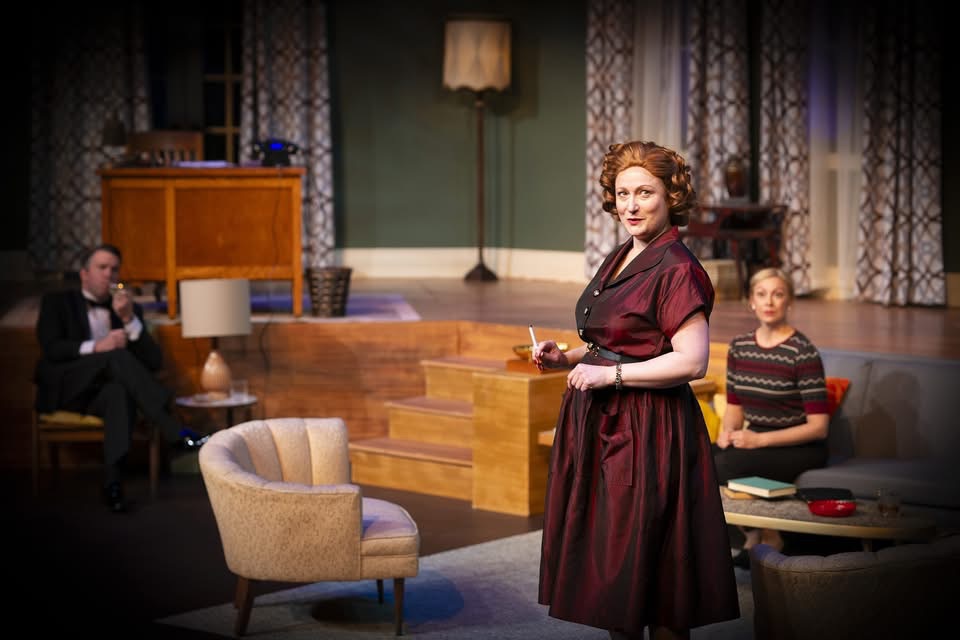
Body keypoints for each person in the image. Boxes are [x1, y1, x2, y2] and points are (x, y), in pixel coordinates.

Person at [533, 141, 740, 640]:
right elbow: (617, 341)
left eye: (645, 193)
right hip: (604, 424)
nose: (631, 205)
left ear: (671, 196)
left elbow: (692, 361)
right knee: (613, 572)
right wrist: (569, 358)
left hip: (647, 431)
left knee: (654, 575)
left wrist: (610, 377)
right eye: (623, 193)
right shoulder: (623, 254)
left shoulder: (678, 267)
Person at [34, 243, 206, 513]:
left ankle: (113, 485)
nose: (109, 274)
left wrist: (128, 320)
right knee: (116, 356)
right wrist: (97, 346)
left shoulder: (127, 309)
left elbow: (154, 361)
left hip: (102, 394)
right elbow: (51, 348)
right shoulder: (57, 302)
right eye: (102, 267)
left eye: (114, 269)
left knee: (119, 392)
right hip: (68, 389)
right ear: (84, 274)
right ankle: (174, 430)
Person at [713, 267, 830, 567]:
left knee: (724, 464)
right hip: (756, 439)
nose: (769, 302)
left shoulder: (802, 352)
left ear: (789, 301)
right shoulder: (740, 347)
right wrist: (727, 433)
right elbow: (735, 407)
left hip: (799, 446)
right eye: (761, 294)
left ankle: (766, 536)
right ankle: (757, 534)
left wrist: (759, 440)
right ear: (751, 301)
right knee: (700, 456)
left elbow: (819, 427)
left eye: (778, 295)